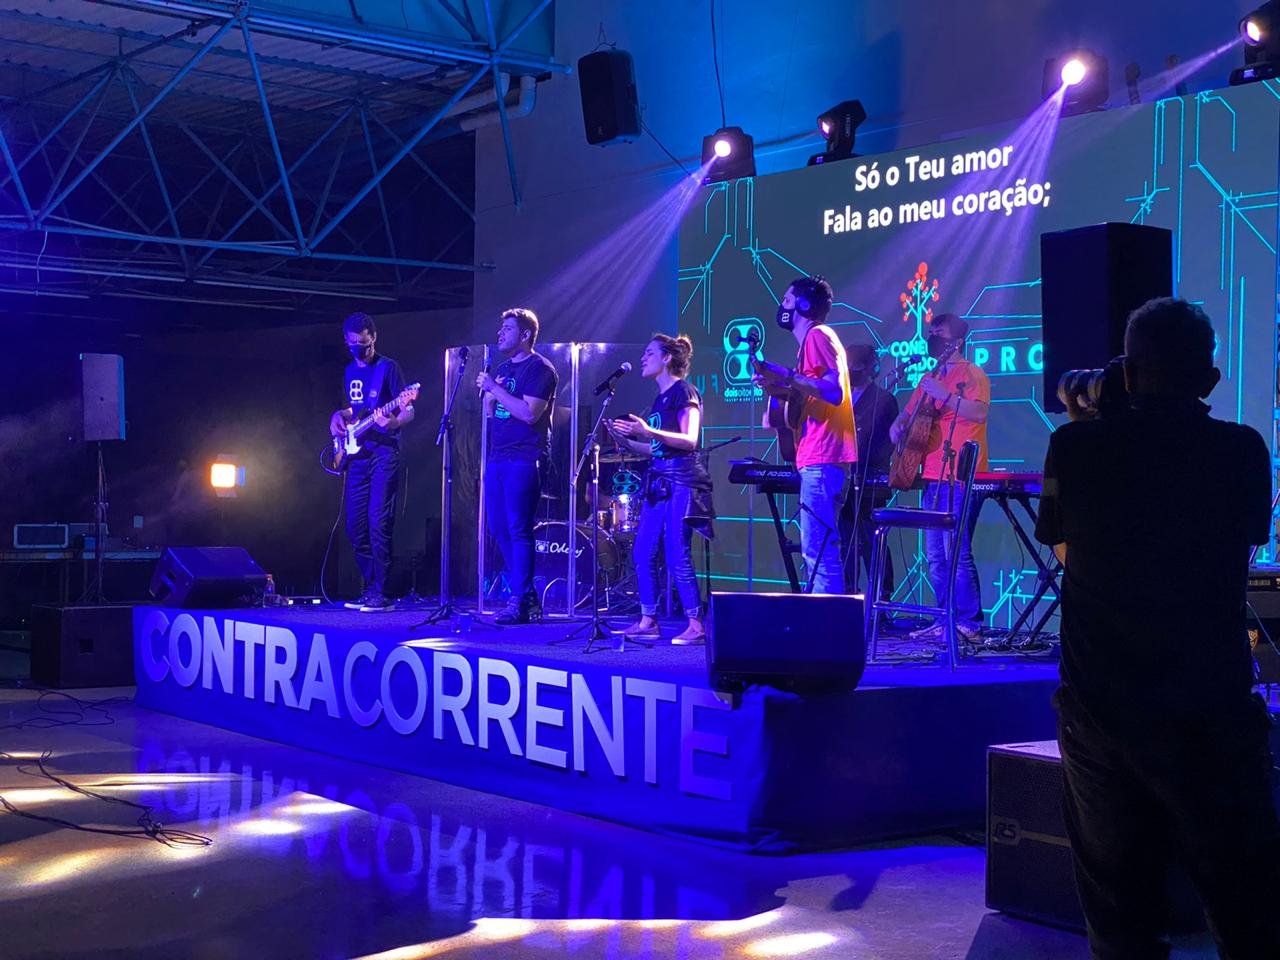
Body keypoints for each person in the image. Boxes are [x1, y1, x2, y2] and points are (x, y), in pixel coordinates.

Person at [1035, 297, 1280, 959]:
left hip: (1101, 708)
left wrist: (1095, 419)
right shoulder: (1242, 450)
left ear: (1126, 371)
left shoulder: (1072, 447)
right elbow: (1241, 546)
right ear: (1210, 378)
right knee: (1248, 909)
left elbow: (1067, 551)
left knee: (1119, 918)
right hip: (1209, 708)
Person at [888, 312, 989, 641]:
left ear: (956, 341)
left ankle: (970, 623)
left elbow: (979, 412)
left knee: (956, 552)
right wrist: (897, 426)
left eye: (939, 332)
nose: (932, 337)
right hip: (932, 474)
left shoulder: (972, 373)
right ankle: (945, 619)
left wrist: (945, 395)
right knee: (935, 556)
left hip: (961, 476)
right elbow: (908, 414)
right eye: (930, 332)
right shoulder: (929, 376)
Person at [754, 276, 858, 594]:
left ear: (803, 305)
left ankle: (827, 623)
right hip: (820, 457)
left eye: (787, 300)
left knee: (819, 552)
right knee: (817, 551)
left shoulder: (817, 336)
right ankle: (824, 618)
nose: (782, 307)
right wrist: (777, 388)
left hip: (824, 457)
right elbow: (809, 398)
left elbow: (833, 392)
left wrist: (788, 376)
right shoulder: (812, 343)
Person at [608, 334, 715, 644]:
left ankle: (696, 624)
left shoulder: (684, 391)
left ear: (667, 358)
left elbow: (690, 440)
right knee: (643, 550)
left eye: (649, 353)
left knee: (677, 551)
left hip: (681, 480)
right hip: (660, 481)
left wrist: (647, 430)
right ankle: (648, 620)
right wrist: (625, 440)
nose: (643, 358)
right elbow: (657, 449)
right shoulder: (659, 399)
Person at [477, 308, 558, 625]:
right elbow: (493, 413)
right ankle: (526, 597)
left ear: (525, 335)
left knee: (518, 528)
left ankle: (519, 599)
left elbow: (528, 413)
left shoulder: (540, 369)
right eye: (501, 328)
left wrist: (495, 389)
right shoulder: (502, 368)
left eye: (507, 328)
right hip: (498, 456)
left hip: (525, 457)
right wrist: (489, 397)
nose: (500, 333)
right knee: (498, 528)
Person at [329, 312, 414, 612]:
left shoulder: (388, 368)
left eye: (365, 345)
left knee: (379, 521)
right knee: (355, 526)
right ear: (346, 342)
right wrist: (338, 416)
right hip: (358, 456)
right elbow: (355, 410)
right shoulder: (349, 371)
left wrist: (393, 422)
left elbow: (407, 408)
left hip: (384, 454)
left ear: (374, 338)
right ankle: (371, 587)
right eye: (354, 345)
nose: (360, 351)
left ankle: (383, 592)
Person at [839, 343, 900, 594]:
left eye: (852, 365)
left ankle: (881, 601)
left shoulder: (883, 400)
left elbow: (888, 443)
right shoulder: (840, 397)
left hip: (871, 483)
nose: (847, 370)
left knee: (872, 542)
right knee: (845, 543)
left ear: (866, 367)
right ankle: (847, 597)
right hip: (843, 481)